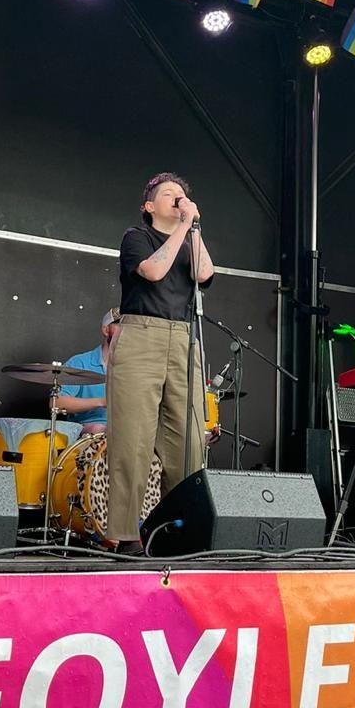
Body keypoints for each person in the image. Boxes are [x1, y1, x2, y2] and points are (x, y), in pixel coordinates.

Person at [107, 172, 213, 548]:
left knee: (188, 442)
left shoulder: (190, 240)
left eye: (182, 194)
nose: (178, 198)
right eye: (169, 194)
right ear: (149, 206)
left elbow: (204, 273)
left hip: (184, 338)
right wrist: (182, 229)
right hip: (142, 335)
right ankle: (124, 534)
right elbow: (153, 271)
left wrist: (193, 228)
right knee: (132, 440)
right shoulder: (136, 237)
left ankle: (177, 530)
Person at [55, 309, 120, 436]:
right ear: (106, 330)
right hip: (90, 431)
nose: (127, 332)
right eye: (120, 325)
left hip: (127, 430)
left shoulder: (137, 369)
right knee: (97, 429)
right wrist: (103, 402)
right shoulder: (80, 362)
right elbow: (57, 402)